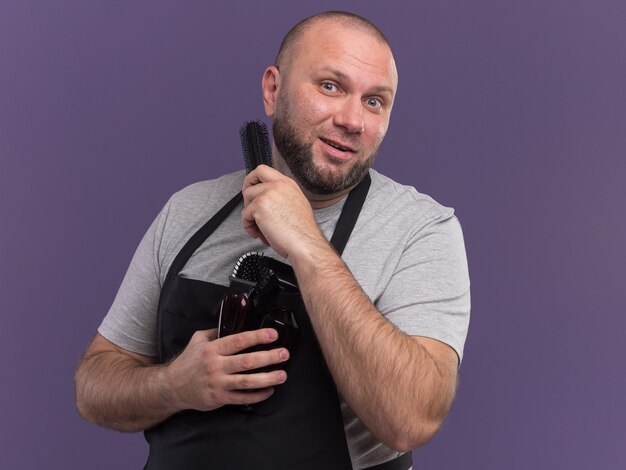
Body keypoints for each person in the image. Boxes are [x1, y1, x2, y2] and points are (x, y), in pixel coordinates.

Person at [75, 10, 470, 470]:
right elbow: (94, 386)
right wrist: (175, 385)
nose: (352, 119)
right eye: (330, 86)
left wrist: (306, 242)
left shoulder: (420, 230)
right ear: (272, 90)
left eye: (374, 101)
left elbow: (410, 420)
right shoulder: (187, 211)